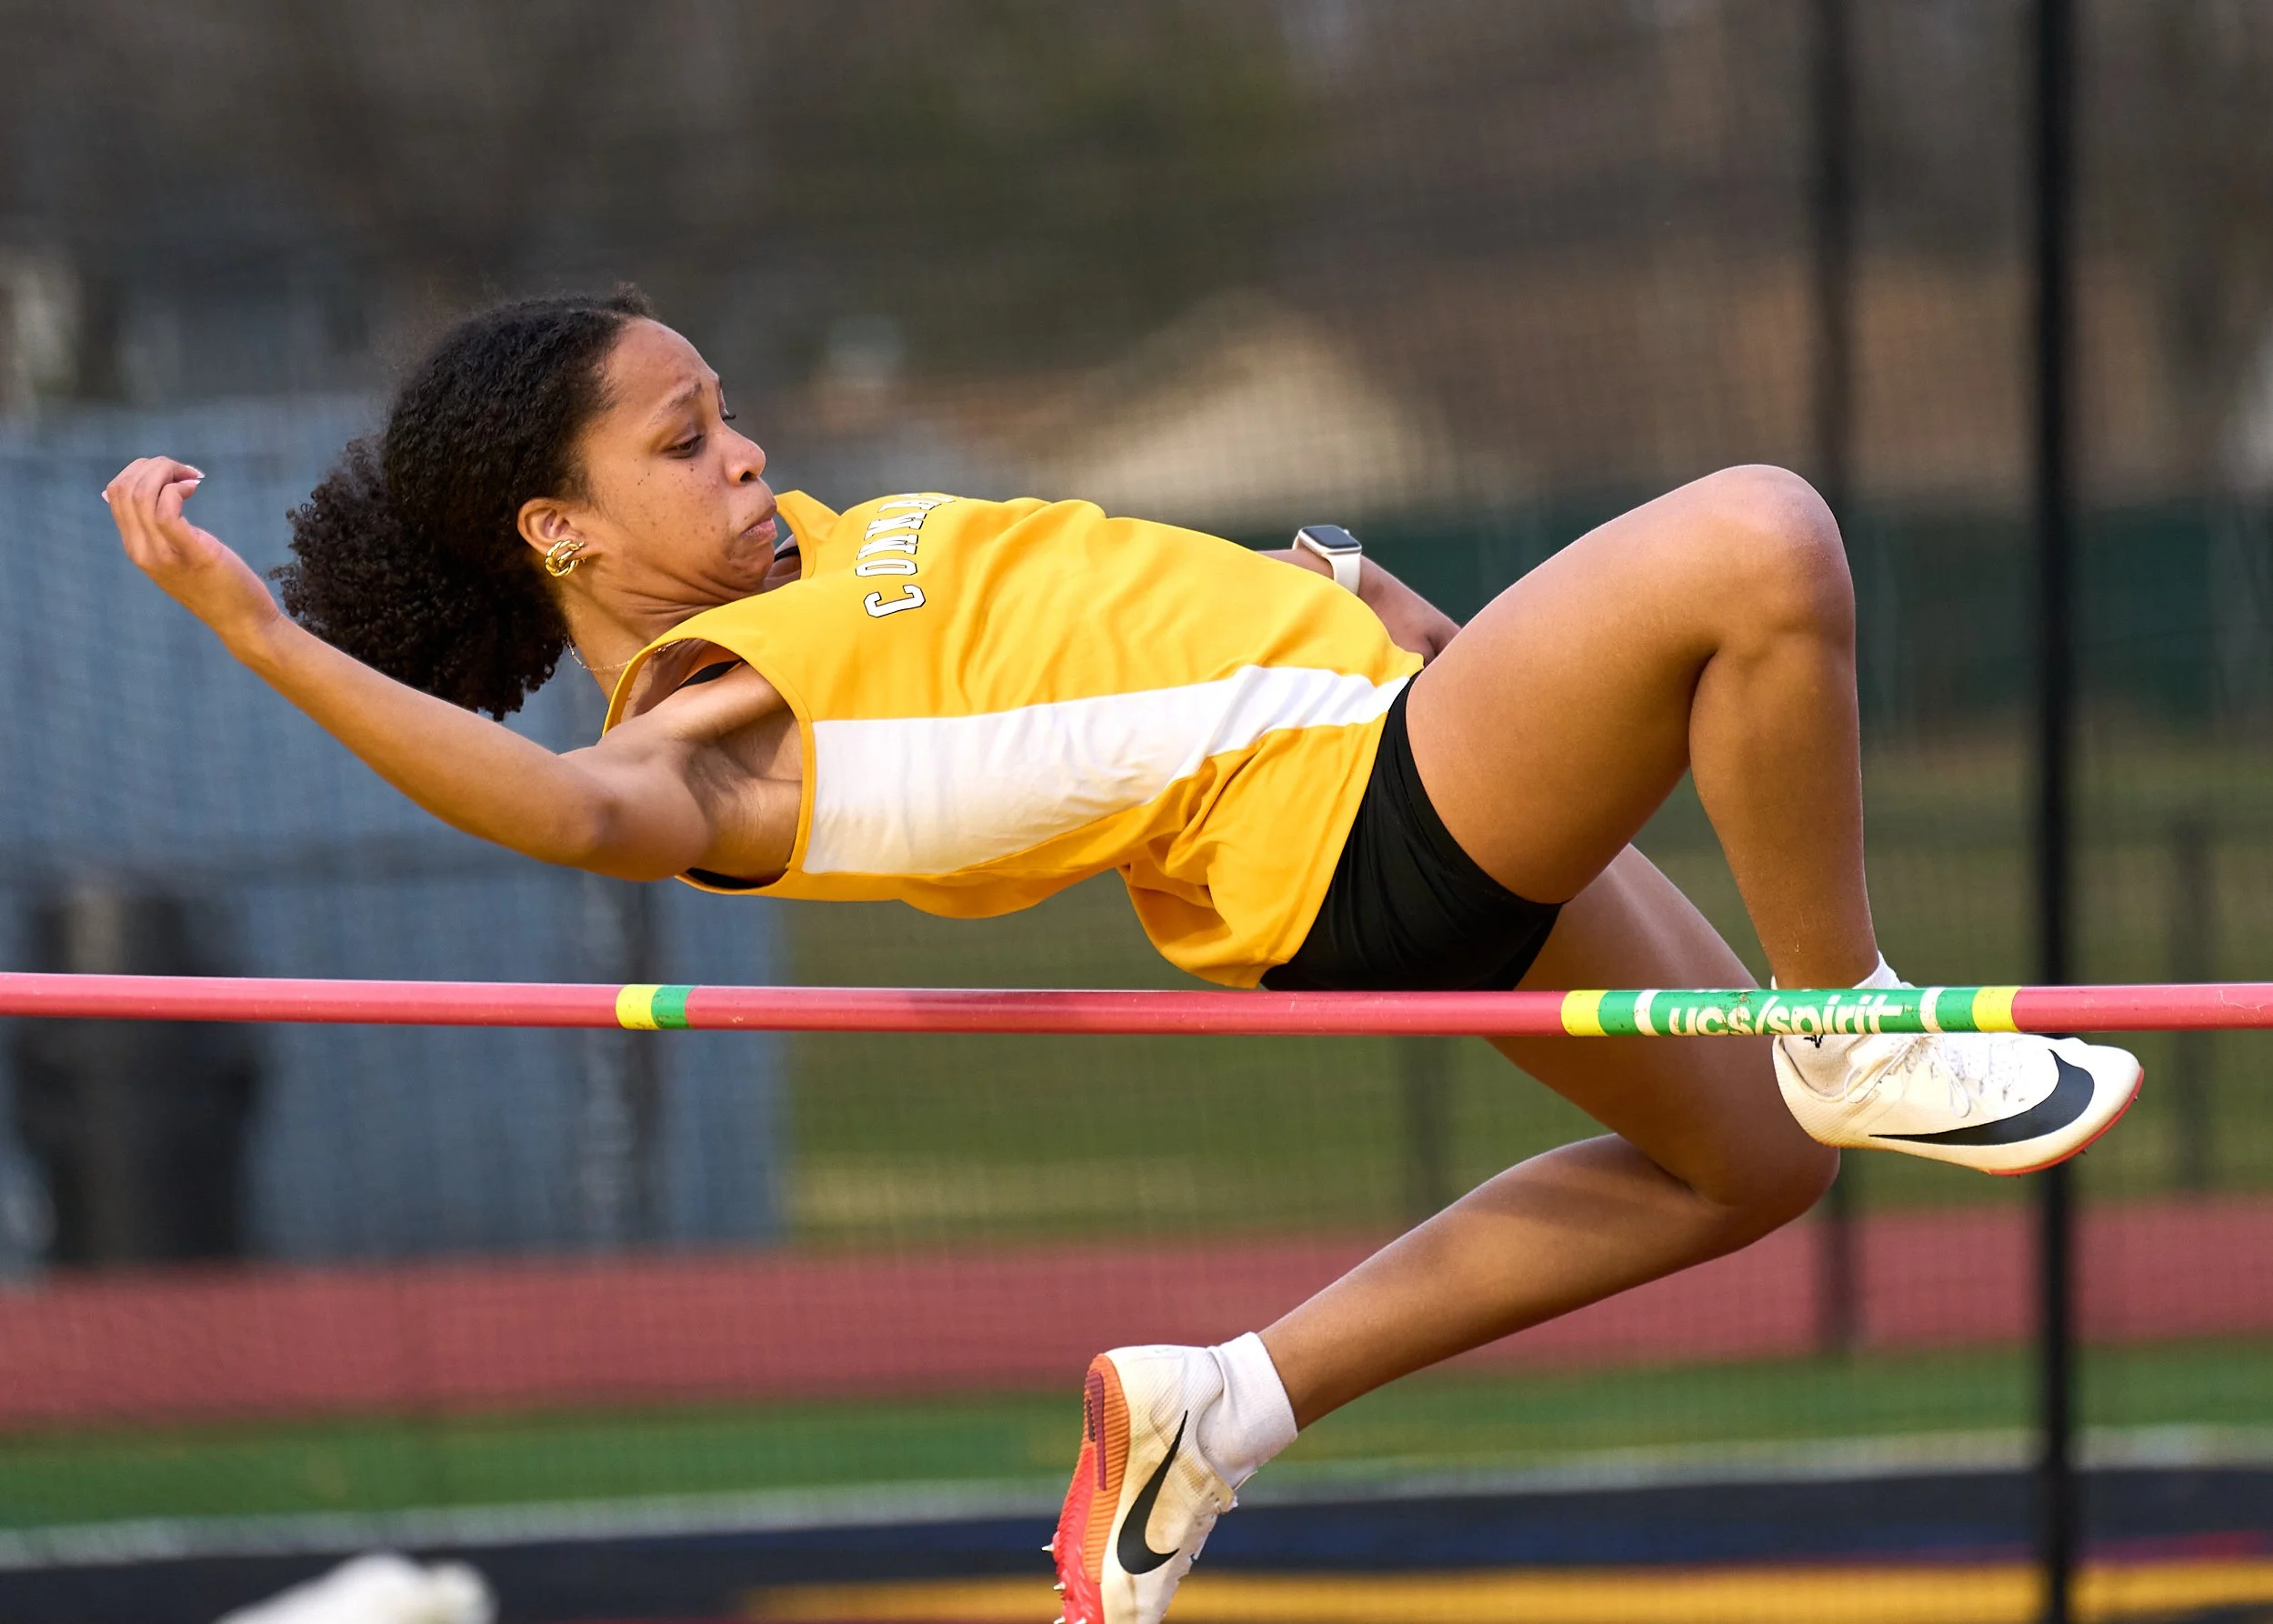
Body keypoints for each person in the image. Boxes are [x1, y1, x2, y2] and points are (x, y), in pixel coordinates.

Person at [104, 290, 2140, 1624]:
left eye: (725, 412)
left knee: (1744, 1164)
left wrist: (1339, 608)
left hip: (1378, 741)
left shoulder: (806, 557)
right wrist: (259, 635)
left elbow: (1068, 627)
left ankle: (1215, 1405)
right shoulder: (706, 733)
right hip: (1351, 832)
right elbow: (561, 813)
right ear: (560, 533)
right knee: (1755, 537)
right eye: (681, 440)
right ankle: (1851, 1015)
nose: (739, 454)